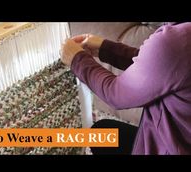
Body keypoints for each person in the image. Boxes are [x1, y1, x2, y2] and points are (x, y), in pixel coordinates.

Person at [60, 22, 191, 155]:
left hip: (173, 147)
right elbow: (161, 67)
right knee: (101, 133)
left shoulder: (174, 42)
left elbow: (115, 93)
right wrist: (106, 49)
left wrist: (77, 60)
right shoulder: (181, 38)